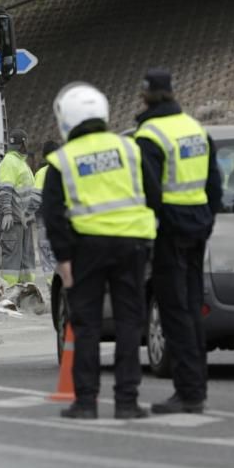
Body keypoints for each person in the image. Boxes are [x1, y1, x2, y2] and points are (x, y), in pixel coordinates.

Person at [41, 82, 160, 420]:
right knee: (128, 323)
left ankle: (86, 402)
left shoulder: (62, 160)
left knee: (87, 325)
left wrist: (63, 259)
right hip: (132, 247)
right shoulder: (131, 149)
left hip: (86, 250)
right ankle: (127, 401)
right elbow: (155, 195)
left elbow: (53, 214)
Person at [134, 68, 222, 414]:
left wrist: (159, 227)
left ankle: (188, 392)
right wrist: (205, 219)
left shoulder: (150, 135)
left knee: (175, 311)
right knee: (191, 307)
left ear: (145, 96)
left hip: (170, 231)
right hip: (197, 226)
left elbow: (150, 193)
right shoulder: (195, 129)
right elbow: (215, 184)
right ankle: (195, 387)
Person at [0, 129, 39, 287]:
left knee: (26, 257)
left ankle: (27, 290)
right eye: (25, 142)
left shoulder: (21, 162)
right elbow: (5, 189)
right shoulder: (9, 162)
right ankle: (9, 290)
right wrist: (7, 212)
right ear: (22, 143)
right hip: (13, 220)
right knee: (12, 258)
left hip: (23, 220)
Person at [34, 140, 60, 285]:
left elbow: (36, 199)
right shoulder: (67, 170)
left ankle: (53, 285)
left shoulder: (42, 173)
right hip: (63, 222)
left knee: (47, 254)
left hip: (45, 222)